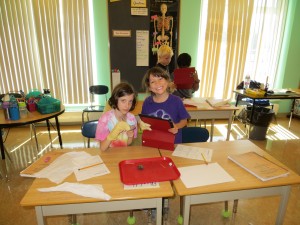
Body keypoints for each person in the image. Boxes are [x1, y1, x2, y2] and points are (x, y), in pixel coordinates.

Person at [141, 66, 190, 144]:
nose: (157, 83)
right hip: (153, 142)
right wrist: (141, 125)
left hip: (173, 142)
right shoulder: (147, 102)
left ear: (167, 81)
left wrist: (176, 126)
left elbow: (184, 120)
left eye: (160, 79)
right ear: (149, 87)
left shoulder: (177, 101)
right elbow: (143, 121)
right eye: (153, 82)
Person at [95, 82, 138, 151]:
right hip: (108, 154)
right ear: (115, 99)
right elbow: (102, 148)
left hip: (123, 154)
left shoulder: (132, 119)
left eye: (130, 101)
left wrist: (130, 137)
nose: (127, 105)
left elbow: (128, 143)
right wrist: (112, 135)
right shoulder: (105, 119)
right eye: (123, 101)